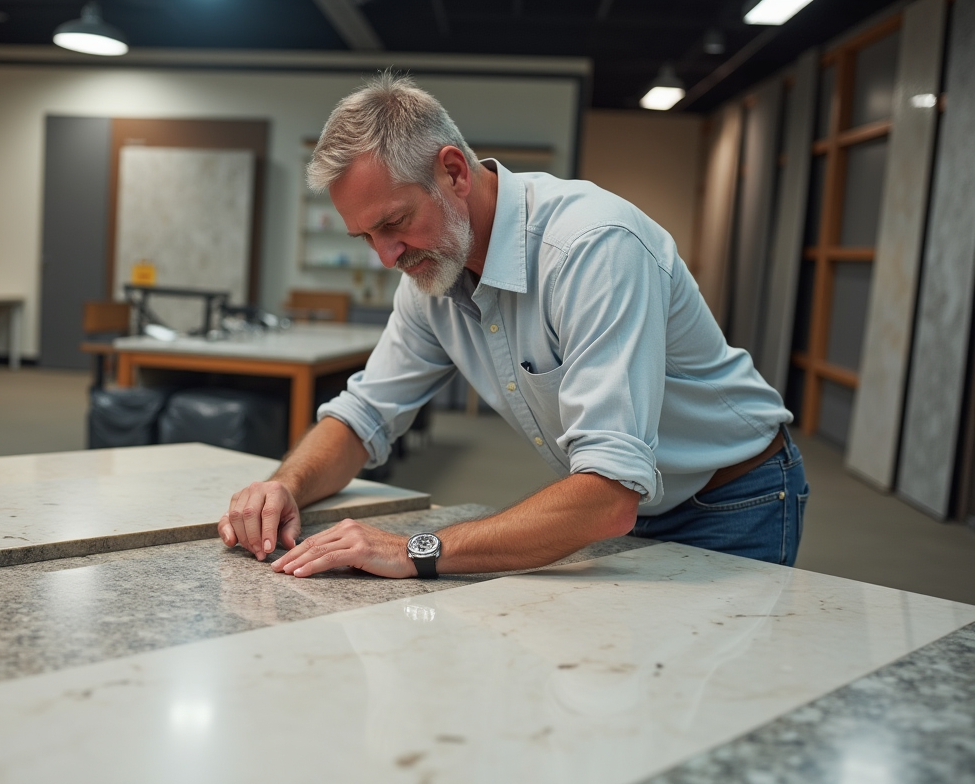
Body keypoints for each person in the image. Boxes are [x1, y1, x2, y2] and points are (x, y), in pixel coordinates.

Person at [218, 73, 807, 580]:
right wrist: (286, 486)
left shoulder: (592, 247)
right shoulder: (431, 275)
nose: (386, 256)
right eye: (366, 236)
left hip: (730, 497)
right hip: (625, 502)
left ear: (454, 171)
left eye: (394, 222)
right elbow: (364, 415)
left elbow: (609, 494)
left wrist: (413, 550)